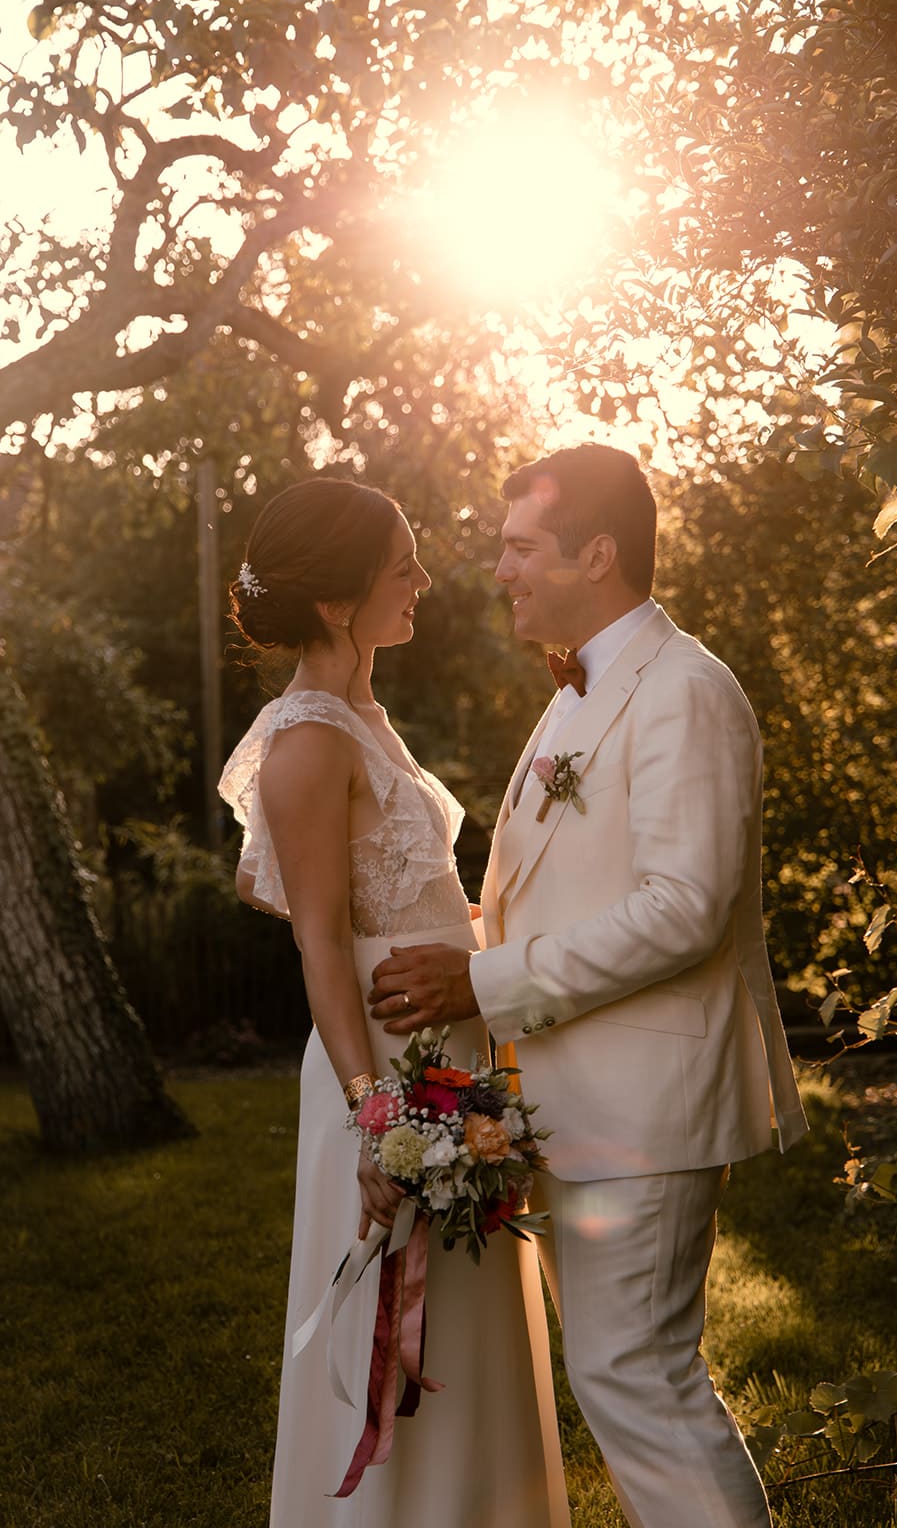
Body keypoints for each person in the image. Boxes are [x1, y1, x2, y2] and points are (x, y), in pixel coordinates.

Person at [369, 443, 809, 1528]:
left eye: (521, 546)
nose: (500, 567)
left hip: (646, 1105)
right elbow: (555, 890)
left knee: (638, 1379)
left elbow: (683, 905)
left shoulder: (684, 690)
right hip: (570, 1099)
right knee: (618, 1377)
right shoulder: (576, 690)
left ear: (596, 552)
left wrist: (483, 979)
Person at [218, 476, 570, 1528]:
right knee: (401, 1324)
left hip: (451, 1046)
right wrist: (372, 1110)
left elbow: (402, 889)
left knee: (468, 1325)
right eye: (399, 564)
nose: (420, 578)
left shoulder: (366, 715)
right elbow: (320, 936)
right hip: (384, 1064)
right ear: (336, 601)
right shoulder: (307, 741)